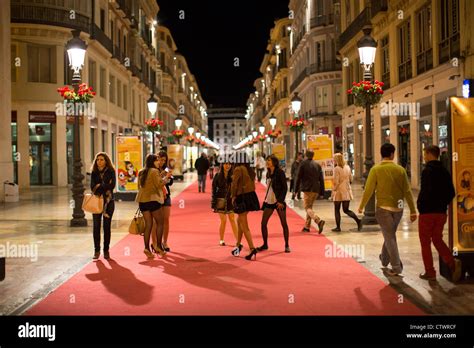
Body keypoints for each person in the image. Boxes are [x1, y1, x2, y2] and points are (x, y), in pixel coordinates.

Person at [358, 143, 417, 276]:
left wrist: (362, 206)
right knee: (390, 235)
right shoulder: (400, 170)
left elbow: (369, 189)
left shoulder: (375, 169)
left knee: (389, 236)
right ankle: (384, 259)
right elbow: (407, 191)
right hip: (399, 208)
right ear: (392, 154)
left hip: (383, 208)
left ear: (381, 154)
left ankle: (396, 267)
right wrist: (413, 210)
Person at [417, 145, 462, 282]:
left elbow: (425, 191)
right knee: (437, 239)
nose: (424, 157)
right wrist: (442, 204)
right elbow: (451, 192)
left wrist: (421, 206)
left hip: (427, 213)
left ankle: (430, 272)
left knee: (425, 242)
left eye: (425, 154)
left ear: (430, 154)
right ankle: (452, 262)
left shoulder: (427, 171)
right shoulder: (444, 171)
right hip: (441, 213)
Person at [230, 153, 261, 260]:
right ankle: (238, 245)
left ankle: (252, 249)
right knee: (239, 221)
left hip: (241, 197)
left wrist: (233, 196)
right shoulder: (249, 169)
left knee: (244, 225)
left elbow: (234, 184)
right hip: (250, 196)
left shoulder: (238, 169)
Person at [257, 155, 290, 253]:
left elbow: (284, 188)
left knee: (284, 223)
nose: (267, 162)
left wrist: (280, 201)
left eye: (269, 160)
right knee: (263, 223)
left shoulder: (279, 172)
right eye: (267, 160)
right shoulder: (268, 172)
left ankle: (287, 245)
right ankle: (265, 244)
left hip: (278, 201)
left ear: (274, 162)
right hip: (269, 201)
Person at [135, 154, 166, 259]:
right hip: (153, 200)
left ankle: (147, 248)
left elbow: (139, 186)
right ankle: (159, 247)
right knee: (160, 223)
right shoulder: (154, 171)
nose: (159, 162)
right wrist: (166, 178)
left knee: (148, 224)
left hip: (142, 201)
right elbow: (159, 184)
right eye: (157, 160)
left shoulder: (141, 172)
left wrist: (160, 175)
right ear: (153, 161)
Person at [90, 152, 116, 260]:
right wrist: (105, 186)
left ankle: (106, 250)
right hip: (96, 201)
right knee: (96, 227)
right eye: (97, 159)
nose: (99, 161)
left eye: (101, 159)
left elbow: (112, 185)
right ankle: (96, 250)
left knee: (107, 227)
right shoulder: (94, 172)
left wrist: (100, 185)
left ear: (106, 161)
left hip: (108, 202)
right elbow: (92, 187)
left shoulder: (111, 171)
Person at [295, 150, 326, 233]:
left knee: (307, 207)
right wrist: (322, 192)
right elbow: (321, 180)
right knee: (310, 207)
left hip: (307, 189)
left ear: (306, 155)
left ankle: (318, 221)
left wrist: (295, 190)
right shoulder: (317, 165)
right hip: (316, 189)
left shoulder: (303, 164)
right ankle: (307, 227)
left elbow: (298, 177)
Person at [332, 153, 362, 232]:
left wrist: (333, 190)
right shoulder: (348, 167)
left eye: (334, 159)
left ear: (336, 160)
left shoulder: (336, 169)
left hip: (339, 191)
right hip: (346, 190)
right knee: (346, 210)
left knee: (337, 209)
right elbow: (351, 179)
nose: (333, 160)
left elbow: (336, 182)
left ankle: (338, 227)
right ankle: (358, 221)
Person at [151, 151, 174, 252]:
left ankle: (165, 242)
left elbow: (171, 182)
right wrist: (163, 176)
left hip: (166, 196)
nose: (162, 162)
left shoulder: (167, 168)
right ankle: (154, 243)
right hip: (155, 196)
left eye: (164, 160)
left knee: (166, 219)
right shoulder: (153, 169)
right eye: (160, 159)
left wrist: (168, 177)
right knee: (155, 221)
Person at [211, 161, 238, 246]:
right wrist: (213, 202)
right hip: (220, 200)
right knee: (223, 220)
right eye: (226, 164)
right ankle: (221, 239)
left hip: (230, 201)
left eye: (229, 164)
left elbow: (236, 188)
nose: (228, 166)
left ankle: (238, 241)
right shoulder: (217, 176)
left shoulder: (233, 176)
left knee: (232, 220)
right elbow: (214, 190)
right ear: (222, 165)